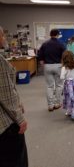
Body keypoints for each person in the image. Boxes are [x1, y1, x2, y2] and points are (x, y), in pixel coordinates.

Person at [0, 26, 28, 167]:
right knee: (16, 159)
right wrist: (20, 118)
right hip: (5, 125)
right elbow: (5, 93)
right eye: (3, 36)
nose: (4, 38)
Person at [38, 29, 65, 111]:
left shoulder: (45, 44)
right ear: (57, 35)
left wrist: (43, 62)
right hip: (58, 65)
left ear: (50, 34)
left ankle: (50, 105)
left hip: (47, 66)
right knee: (59, 85)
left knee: (49, 86)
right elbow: (65, 55)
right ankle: (57, 103)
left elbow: (40, 55)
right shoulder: (61, 44)